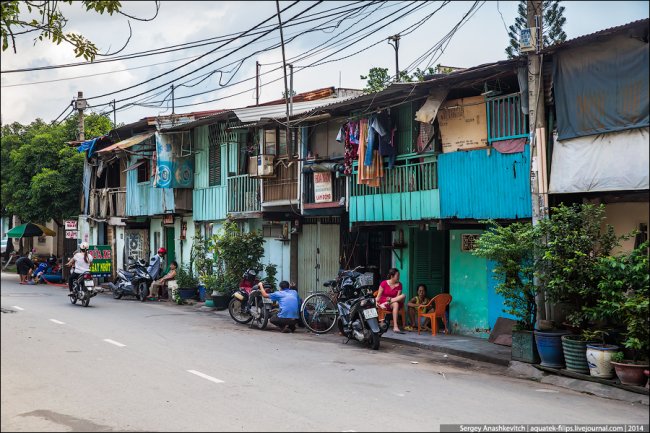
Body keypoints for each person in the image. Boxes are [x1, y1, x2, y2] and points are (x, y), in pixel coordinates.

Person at [376, 268, 406, 333]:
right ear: (392, 276)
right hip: (384, 302)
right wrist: (376, 302)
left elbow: (398, 297)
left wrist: (390, 300)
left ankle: (395, 327)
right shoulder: (383, 283)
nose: (399, 277)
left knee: (403, 296)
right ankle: (395, 326)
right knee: (396, 303)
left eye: (399, 275)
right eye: (397, 275)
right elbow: (378, 297)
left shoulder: (399, 285)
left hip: (393, 301)